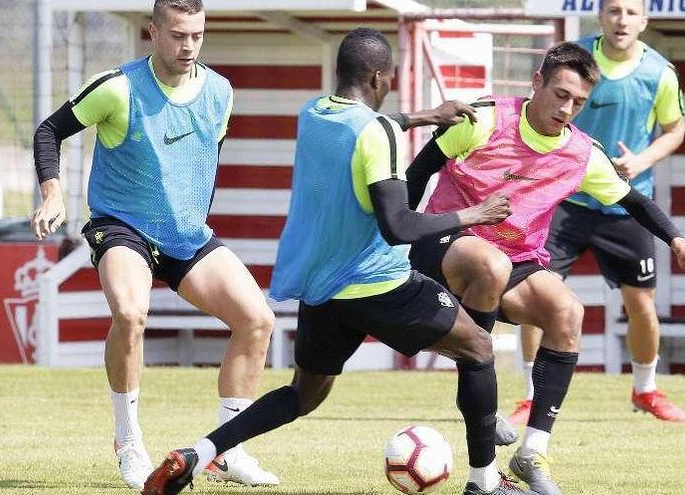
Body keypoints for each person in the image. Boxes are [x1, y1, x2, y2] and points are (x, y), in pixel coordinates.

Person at [140, 27, 534, 495]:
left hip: (323, 291)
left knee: (302, 395)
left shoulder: (313, 113)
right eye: (387, 80)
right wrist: (475, 213)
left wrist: (425, 116)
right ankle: (485, 482)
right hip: (379, 286)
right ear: (377, 77)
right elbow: (398, 227)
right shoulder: (379, 132)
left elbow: (365, 126)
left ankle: (196, 455)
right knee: (479, 349)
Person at [404, 42, 685, 495]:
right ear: (537, 84)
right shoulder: (485, 120)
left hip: (512, 261)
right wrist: (398, 239)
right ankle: (481, 402)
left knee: (568, 311)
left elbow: (633, 200)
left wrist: (678, 241)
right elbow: (418, 173)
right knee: (489, 264)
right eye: (561, 95)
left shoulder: (581, 153)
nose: (567, 109)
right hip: (444, 244)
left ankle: (532, 454)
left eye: (579, 102)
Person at [30, 0, 281, 488]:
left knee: (257, 320)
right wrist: (53, 191)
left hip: (186, 234)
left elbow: (207, 158)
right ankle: (128, 440)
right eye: (178, 35)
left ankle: (226, 451)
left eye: (197, 36)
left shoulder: (221, 92)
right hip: (122, 226)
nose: (189, 46)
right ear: (153, 32)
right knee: (130, 313)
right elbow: (50, 131)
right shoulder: (117, 87)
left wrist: (194, 219)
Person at [514, 0, 685, 426]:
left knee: (641, 305)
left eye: (631, 12)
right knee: (536, 295)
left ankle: (645, 390)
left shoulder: (660, 73)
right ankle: (530, 396)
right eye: (614, 11)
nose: (622, 20)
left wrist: (643, 160)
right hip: (566, 202)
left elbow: (675, 129)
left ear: (644, 21)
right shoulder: (576, 61)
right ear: (601, 17)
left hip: (626, 203)